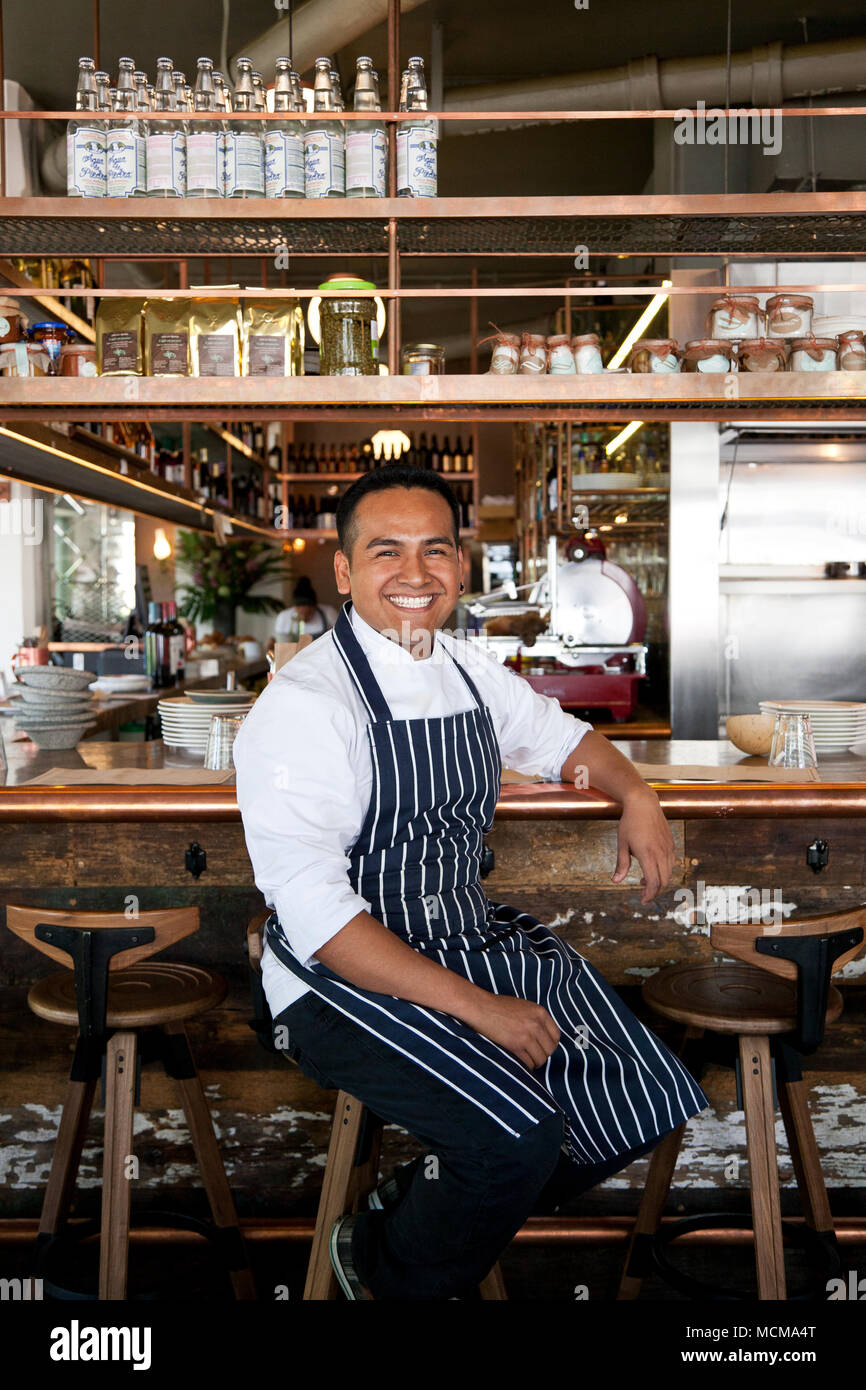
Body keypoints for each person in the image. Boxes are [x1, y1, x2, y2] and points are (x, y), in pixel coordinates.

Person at [234, 465, 708, 1301]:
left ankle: (411, 1212)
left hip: (459, 934)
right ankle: (379, 1267)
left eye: (435, 551)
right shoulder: (306, 705)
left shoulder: (463, 668)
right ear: (344, 572)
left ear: (460, 565)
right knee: (515, 1143)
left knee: (643, 1096)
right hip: (340, 976)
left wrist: (636, 792)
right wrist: (481, 1008)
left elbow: (562, 738)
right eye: (386, 553)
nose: (414, 575)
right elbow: (319, 919)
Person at [273, 577, 338, 641]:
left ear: (315, 606)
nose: (304, 618)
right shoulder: (283, 617)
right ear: (294, 608)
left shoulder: (329, 613)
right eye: (300, 614)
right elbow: (280, 641)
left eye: (309, 613)